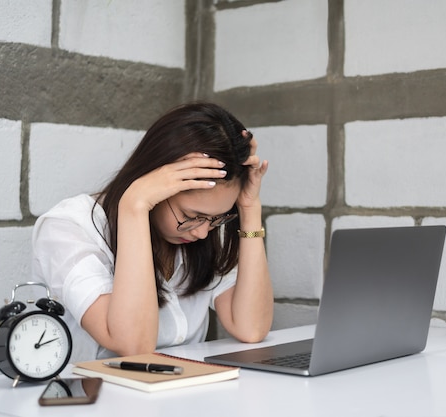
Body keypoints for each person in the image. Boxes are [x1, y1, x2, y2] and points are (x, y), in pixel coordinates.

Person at [31, 102, 274, 362]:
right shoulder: (68, 228)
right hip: (96, 398)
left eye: (215, 219)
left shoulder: (201, 231)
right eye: (191, 217)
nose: (203, 232)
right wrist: (134, 205)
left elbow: (251, 328)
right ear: (155, 185)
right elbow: (134, 346)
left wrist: (249, 209)